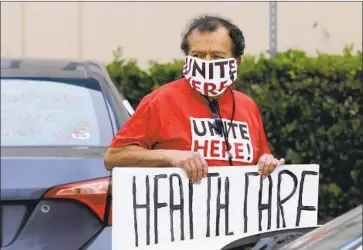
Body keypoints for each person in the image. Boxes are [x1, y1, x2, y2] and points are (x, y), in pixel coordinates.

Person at [104, 15, 285, 184]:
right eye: (197, 56)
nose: (206, 63)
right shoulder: (160, 101)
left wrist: (267, 162)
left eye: (216, 56)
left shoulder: (247, 106)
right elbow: (114, 156)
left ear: (236, 62)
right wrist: (170, 156)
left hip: (235, 215)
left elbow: (261, 159)